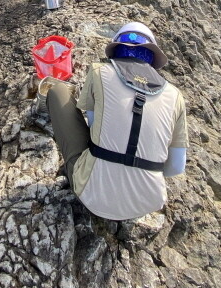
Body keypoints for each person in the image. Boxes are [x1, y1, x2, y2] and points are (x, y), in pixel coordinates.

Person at [46, 22, 188, 220]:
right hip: (146, 203)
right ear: (152, 59)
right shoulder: (175, 96)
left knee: (57, 91)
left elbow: (95, 130)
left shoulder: (99, 72)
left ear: (115, 52)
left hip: (93, 196)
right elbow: (176, 167)